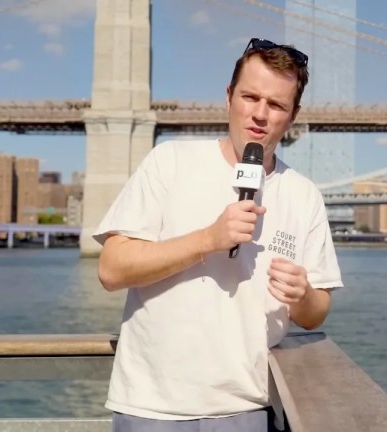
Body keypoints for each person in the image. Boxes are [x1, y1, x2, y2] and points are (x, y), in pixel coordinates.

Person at [92, 37, 343, 432]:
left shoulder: (304, 194)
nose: (260, 114)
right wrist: (208, 239)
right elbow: (111, 269)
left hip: (248, 407)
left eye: (276, 105)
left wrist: (303, 295)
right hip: (152, 407)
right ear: (229, 97)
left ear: (292, 116)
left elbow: (316, 314)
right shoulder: (170, 162)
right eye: (250, 97)